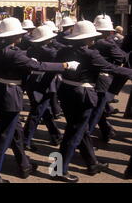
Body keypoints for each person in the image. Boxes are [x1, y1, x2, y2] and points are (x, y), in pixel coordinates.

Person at [0, 17, 79, 183]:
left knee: (16, 132)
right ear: (15, 36)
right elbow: (39, 67)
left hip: (0, 91)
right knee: (3, 138)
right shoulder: (14, 53)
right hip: (10, 94)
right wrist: (64, 66)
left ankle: (23, 163)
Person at [55, 20, 132, 182]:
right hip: (82, 94)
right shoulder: (90, 53)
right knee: (73, 134)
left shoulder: (64, 51)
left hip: (66, 91)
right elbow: (112, 68)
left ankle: (92, 163)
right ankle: (58, 170)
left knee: (79, 130)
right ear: (86, 39)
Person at [23, 25, 63, 151]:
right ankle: (25, 139)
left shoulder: (30, 50)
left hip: (32, 81)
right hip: (44, 83)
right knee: (37, 112)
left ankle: (55, 134)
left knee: (43, 110)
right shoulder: (50, 52)